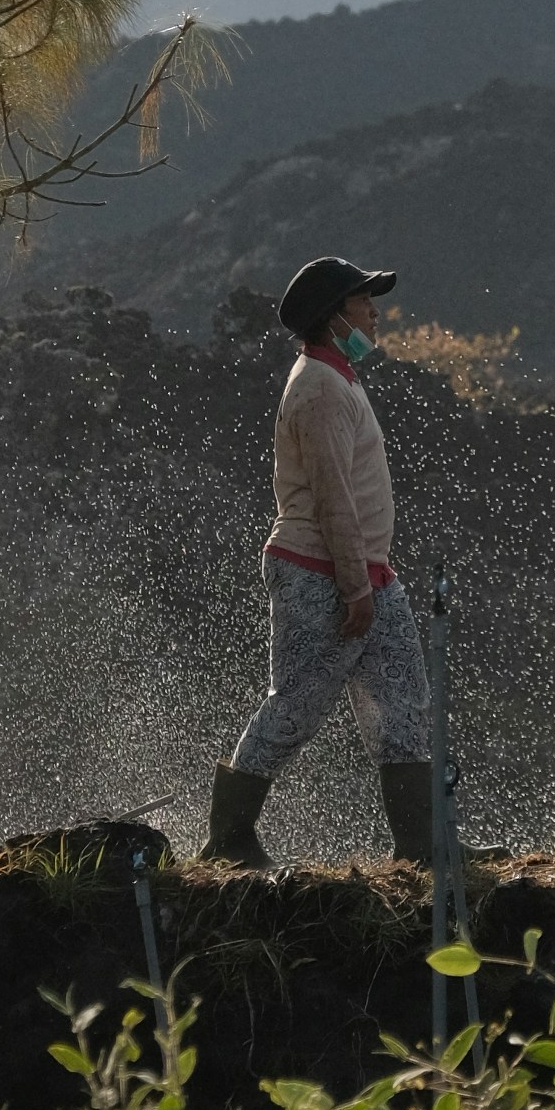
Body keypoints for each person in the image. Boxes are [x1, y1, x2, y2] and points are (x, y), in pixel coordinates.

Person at [205, 252, 433, 868]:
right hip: (322, 573)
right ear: (334, 319)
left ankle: (422, 845)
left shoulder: (339, 377)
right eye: (363, 303)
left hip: (364, 574)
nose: (374, 313)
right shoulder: (319, 389)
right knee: (297, 702)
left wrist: (367, 581)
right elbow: (332, 496)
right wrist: (356, 588)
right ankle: (228, 840)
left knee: (402, 698)